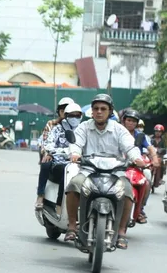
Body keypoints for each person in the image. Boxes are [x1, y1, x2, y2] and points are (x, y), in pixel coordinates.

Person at [64, 94, 159, 249]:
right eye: (96, 109)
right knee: (74, 185)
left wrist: (137, 159)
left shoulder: (119, 129)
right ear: (92, 112)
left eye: (103, 109)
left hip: (115, 172)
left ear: (110, 112)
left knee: (128, 191)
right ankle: (72, 227)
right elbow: (76, 144)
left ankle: (121, 232)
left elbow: (130, 147)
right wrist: (74, 154)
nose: (99, 112)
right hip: (89, 170)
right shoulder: (84, 127)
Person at [35, 103, 83, 213]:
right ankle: (54, 202)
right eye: (71, 115)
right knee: (61, 170)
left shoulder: (83, 130)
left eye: (77, 116)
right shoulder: (57, 128)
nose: (74, 118)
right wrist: (59, 152)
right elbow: (48, 143)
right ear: (65, 116)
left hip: (80, 164)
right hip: (60, 161)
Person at [120, 109, 158, 224]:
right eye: (129, 120)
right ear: (124, 121)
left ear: (137, 123)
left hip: (135, 166)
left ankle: (140, 208)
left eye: (133, 121)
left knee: (146, 178)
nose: (131, 123)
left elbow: (150, 148)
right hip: (118, 166)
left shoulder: (141, 136)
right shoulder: (117, 132)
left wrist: (155, 158)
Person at [39, 97, 74, 163]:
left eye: (67, 111)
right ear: (58, 112)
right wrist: (48, 154)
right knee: (46, 165)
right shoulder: (52, 124)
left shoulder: (77, 126)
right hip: (54, 156)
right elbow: (45, 142)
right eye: (62, 111)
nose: (64, 114)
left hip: (72, 157)